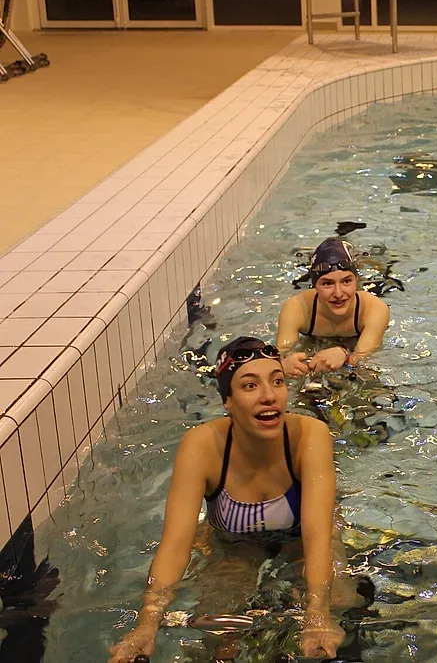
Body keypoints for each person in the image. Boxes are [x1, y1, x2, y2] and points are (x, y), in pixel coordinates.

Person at [108, 337, 349, 662]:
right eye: (250, 386)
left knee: (339, 613)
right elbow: (175, 545)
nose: (269, 396)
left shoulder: (309, 435)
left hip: (303, 544)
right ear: (228, 400)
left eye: (277, 382)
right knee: (218, 638)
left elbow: (317, 536)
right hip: (232, 546)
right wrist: (147, 623)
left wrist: (318, 614)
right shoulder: (202, 446)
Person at [277, 238, 390, 377]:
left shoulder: (374, 308)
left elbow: (363, 360)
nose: (338, 293)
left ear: (356, 281)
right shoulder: (297, 308)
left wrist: (344, 355)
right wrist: (282, 366)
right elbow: (280, 355)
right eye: (327, 283)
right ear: (314, 285)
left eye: (346, 281)